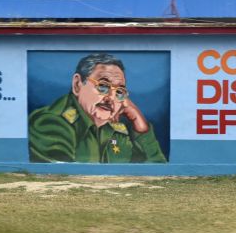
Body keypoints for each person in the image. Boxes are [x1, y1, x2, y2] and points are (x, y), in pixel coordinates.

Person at [28, 53, 167, 163]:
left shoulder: (118, 130)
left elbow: (158, 171)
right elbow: (62, 178)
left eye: (119, 91)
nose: (111, 97)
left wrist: (141, 129)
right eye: (103, 86)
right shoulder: (50, 123)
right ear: (77, 84)